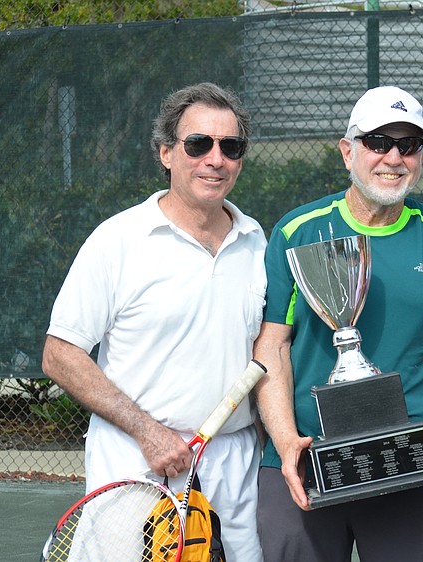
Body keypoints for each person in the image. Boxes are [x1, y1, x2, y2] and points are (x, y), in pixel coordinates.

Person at [253, 85, 423, 561]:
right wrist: (285, 443)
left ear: (422, 155)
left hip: (413, 462)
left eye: (408, 145)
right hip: (306, 459)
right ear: (348, 151)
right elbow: (272, 347)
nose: (393, 157)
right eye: (378, 142)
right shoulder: (297, 230)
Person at [42, 82, 266, 561]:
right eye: (198, 144)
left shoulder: (256, 242)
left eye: (231, 146)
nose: (215, 158)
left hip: (233, 465)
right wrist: (148, 432)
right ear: (166, 153)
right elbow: (60, 354)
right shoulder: (117, 239)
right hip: (135, 462)